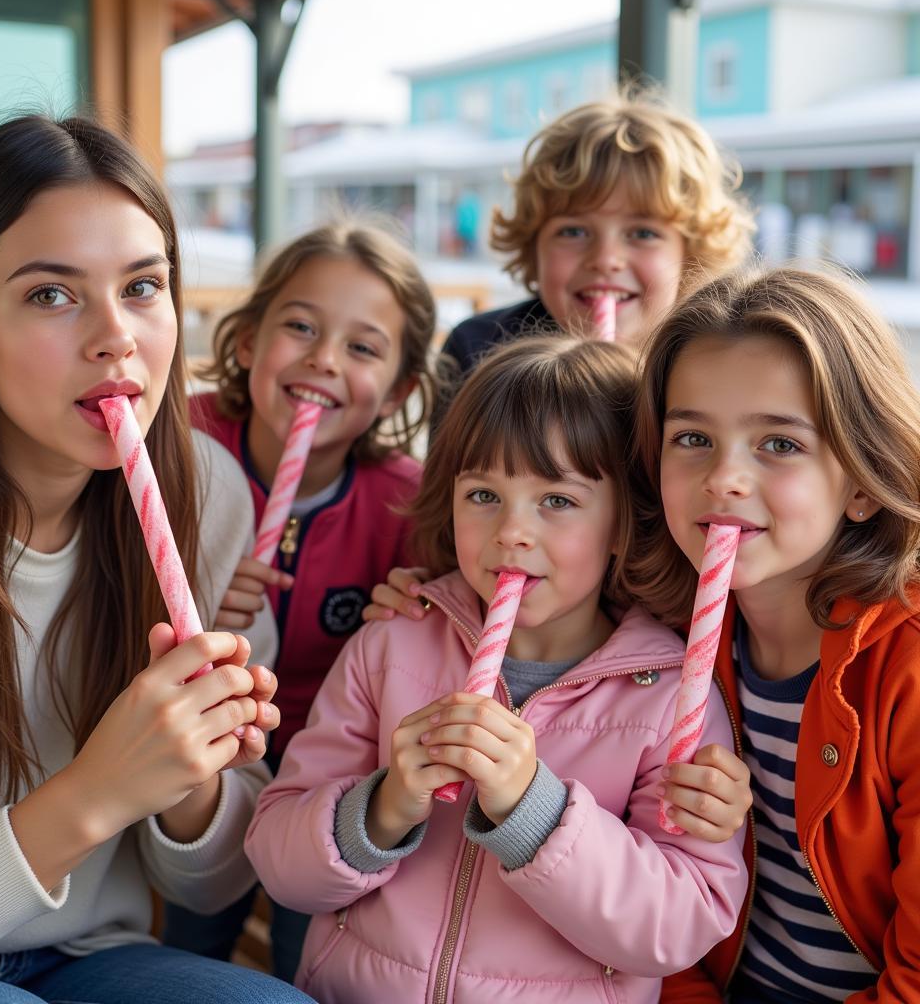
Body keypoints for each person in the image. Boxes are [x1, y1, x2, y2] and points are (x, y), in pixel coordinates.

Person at [0, 115, 312, 1004]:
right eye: (52, 294)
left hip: (93, 957)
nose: (115, 336)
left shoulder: (206, 494)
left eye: (143, 286)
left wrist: (192, 782)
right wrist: (99, 790)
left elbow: (209, 886)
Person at [245, 336, 748, 1003]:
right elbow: (281, 866)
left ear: (625, 523)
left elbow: (680, 925)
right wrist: (385, 808)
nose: (512, 530)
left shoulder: (668, 698)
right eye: (483, 494)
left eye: (558, 502)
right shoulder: (393, 644)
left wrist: (533, 811)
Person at [630, 268, 920, 1002]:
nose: (724, 477)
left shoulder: (907, 669)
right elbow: (664, 923)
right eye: (692, 437)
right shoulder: (660, 635)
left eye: (779, 445)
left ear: (861, 481)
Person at [171, 221, 435, 978]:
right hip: (200, 768)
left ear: (400, 391)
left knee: (306, 962)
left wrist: (413, 612)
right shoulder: (178, 448)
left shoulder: (408, 509)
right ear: (249, 341)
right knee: (188, 945)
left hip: (327, 786)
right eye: (300, 327)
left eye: (362, 347)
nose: (323, 358)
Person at [435, 85, 755, 419]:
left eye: (643, 233)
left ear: (693, 255)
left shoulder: (718, 367)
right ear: (534, 247)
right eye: (573, 231)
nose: (605, 259)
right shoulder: (479, 351)